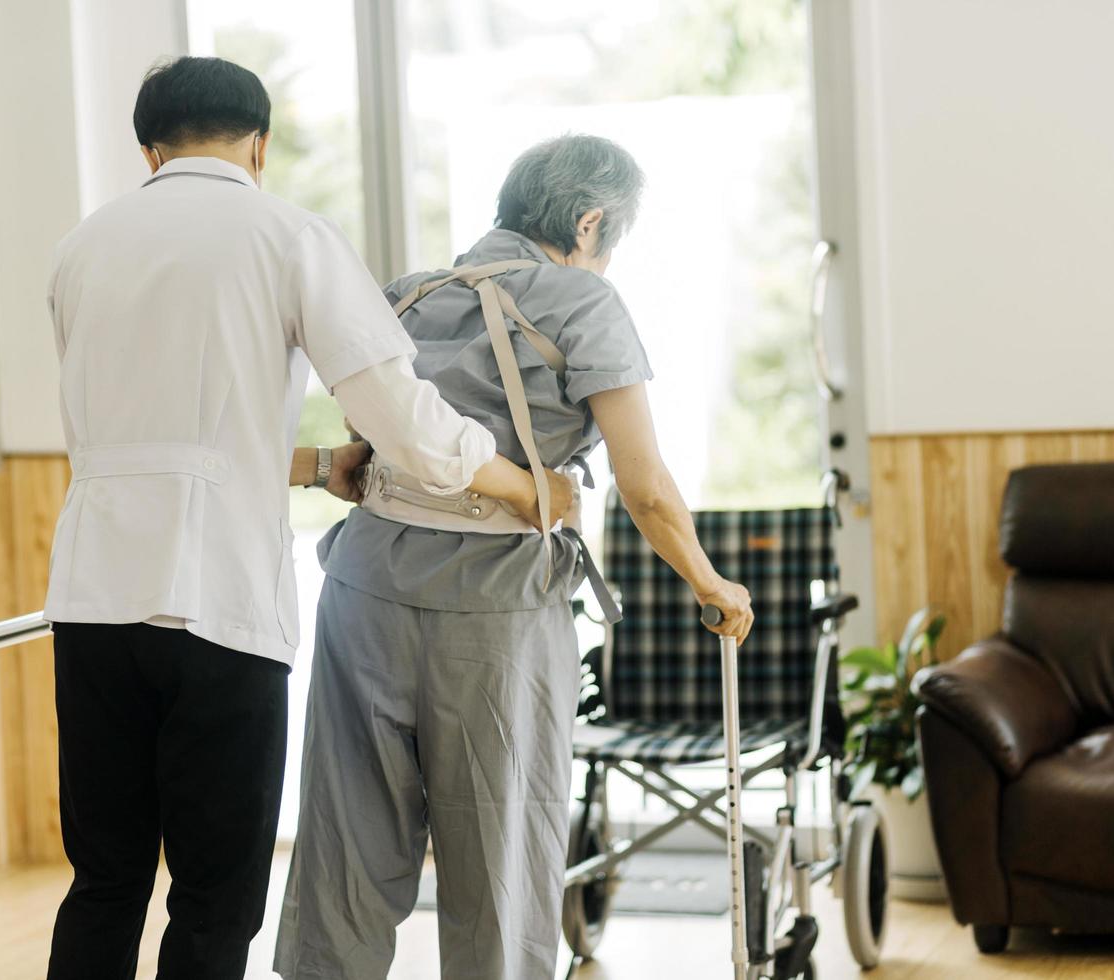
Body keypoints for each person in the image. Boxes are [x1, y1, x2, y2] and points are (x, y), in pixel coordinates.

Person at [41, 57, 568, 980]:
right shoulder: (285, 233)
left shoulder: (85, 245)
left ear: (147, 149)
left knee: (106, 877)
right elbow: (399, 412)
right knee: (215, 894)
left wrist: (322, 466)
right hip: (218, 607)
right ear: (259, 144)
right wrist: (524, 489)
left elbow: (130, 434)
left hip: (90, 599)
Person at [274, 134, 755, 980]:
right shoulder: (583, 302)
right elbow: (644, 487)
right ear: (590, 221)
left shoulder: (406, 295)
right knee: (500, 850)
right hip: (495, 613)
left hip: (363, 592)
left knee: (345, 846)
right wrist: (711, 582)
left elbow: (369, 441)